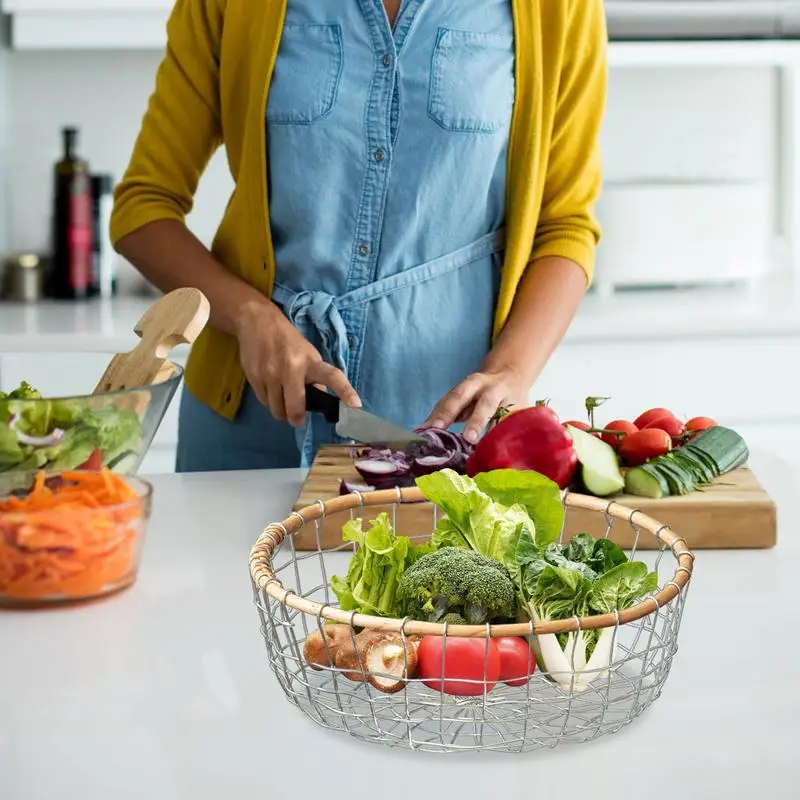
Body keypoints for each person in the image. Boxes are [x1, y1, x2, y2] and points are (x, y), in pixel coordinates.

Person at [111, 0, 607, 472]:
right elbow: (143, 209)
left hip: (446, 433)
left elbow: (564, 225)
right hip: (250, 419)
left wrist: (512, 370)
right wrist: (250, 316)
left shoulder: (556, 9)